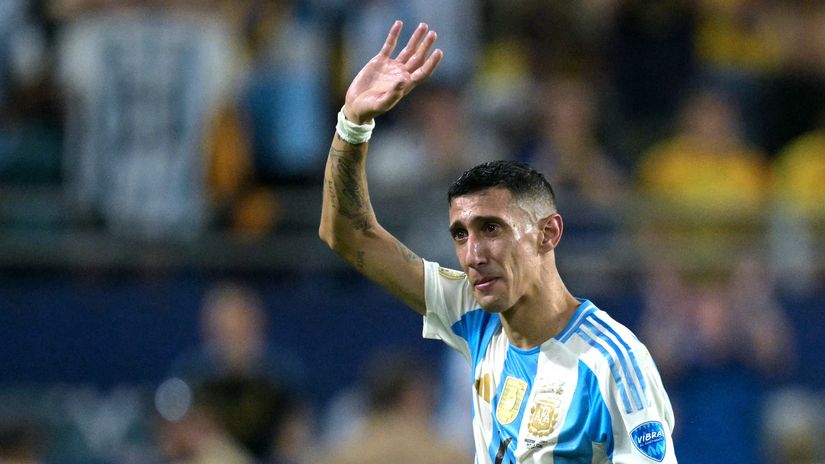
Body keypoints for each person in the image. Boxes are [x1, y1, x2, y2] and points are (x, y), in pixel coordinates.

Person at [319, 21, 677, 463]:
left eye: (492, 229)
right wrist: (353, 122)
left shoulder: (612, 362)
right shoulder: (477, 316)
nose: (473, 254)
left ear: (548, 234)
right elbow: (346, 233)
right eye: (461, 235)